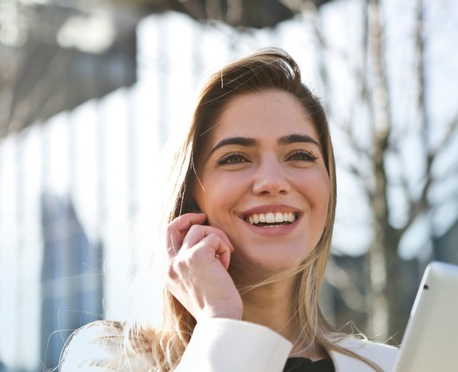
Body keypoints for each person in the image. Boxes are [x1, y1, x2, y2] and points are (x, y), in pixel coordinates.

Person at [60, 48, 398, 371]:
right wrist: (220, 324)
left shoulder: (394, 366)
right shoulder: (110, 359)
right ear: (191, 195)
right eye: (235, 157)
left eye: (300, 154)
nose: (272, 181)